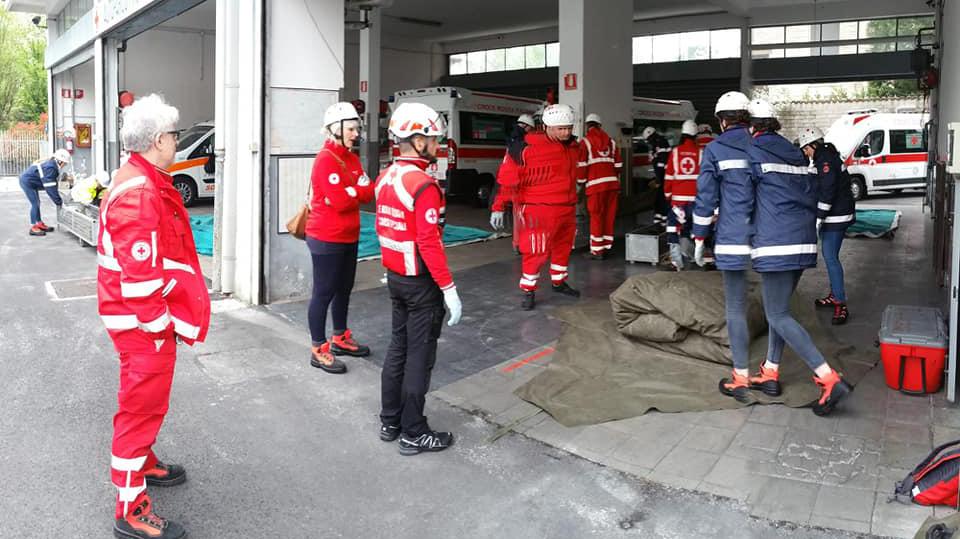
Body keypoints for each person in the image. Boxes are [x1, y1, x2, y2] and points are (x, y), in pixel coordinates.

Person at [97, 94, 210, 539]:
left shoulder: (144, 178)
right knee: (140, 410)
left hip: (139, 322)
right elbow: (140, 281)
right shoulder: (141, 191)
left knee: (143, 405)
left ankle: (143, 461)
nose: (177, 142)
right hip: (143, 326)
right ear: (159, 139)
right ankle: (131, 507)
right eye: (175, 135)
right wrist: (162, 327)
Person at [742, 99, 852, 416]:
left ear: (751, 125)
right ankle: (771, 370)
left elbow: (744, 198)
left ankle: (827, 377)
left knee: (776, 314)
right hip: (802, 241)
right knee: (780, 310)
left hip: (776, 243)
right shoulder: (793, 152)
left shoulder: (753, 152)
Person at [375, 102, 463, 456]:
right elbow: (429, 241)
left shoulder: (387, 177)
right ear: (416, 139)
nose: (438, 143)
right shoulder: (423, 185)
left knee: (397, 349)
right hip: (420, 284)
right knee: (419, 357)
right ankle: (414, 432)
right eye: (433, 137)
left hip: (396, 277)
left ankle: (390, 420)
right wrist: (449, 288)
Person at [692, 91, 756, 405]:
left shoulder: (715, 149)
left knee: (735, 308)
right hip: (770, 236)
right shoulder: (763, 144)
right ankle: (770, 372)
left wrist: (699, 236)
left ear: (721, 120)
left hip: (733, 237)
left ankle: (741, 376)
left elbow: (706, 198)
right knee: (778, 312)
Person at [304, 102, 375, 374]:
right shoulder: (326, 159)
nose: (356, 134)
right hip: (326, 238)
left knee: (344, 289)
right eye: (352, 128)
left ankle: (339, 338)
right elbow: (340, 201)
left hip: (348, 236)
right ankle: (318, 348)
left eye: (357, 128)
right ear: (336, 129)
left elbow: (370, 193)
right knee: (323, 292)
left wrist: (353, 190)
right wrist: (356, 190)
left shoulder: (352, 159)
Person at [490, 103, 581, 310]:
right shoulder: (524, 148)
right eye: (561, 129)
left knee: (563, 247)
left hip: (566, 207)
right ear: (547, 127)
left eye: (568, 127)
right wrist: (498, 206)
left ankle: (558, 282)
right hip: (538, 209)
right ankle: (528, 290)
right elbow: (507, 179)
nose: (566, 132)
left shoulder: (574, 146)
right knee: (536, 250)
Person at [799, 126, 855, 325]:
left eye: (806, 148)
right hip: (836, 214)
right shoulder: (825, 156)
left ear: (814, 144)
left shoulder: (825, 159)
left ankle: (841, 303)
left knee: (830, 257)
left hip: (836, 217)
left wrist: (819, 216)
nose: (805, 152)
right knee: (831, 256)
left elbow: (828, 188)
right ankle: (834, 294)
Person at [578, 112, 622, 259]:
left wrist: (581, 182)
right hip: (612, 185)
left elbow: (582, 166)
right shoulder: (612, 142)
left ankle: (597, 251)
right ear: (600, 125)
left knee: (596, 216)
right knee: (609, 216)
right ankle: (607, 246)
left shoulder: (585, 142)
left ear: (587, 126)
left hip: (596, 187)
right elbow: (619, 165)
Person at [491, 114, 537, 253]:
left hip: (517, 188)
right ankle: (526, 245)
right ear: (529, 128)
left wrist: (498, 206)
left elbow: (505, 176)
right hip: (526, 189)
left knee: (519, 218)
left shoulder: (512, 143)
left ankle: (519, 244)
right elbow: (509, 175)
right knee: (528, 219)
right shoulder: (524, 145)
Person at [663, 119, 702, 270]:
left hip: (678, 202)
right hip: (696, 201)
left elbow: (668, 177)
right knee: (693, 228)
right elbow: (705, 179)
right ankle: (694, 256)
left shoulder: (675, 152)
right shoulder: (701, 153)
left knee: (673, 227)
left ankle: (676, 261)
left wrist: (668, 195)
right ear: (695, 135)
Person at [19, 148, 69, 236]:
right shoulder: (51, 167)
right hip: (27, 182)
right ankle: (33, 227)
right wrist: (59, 202)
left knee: (37, 203)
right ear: (60, 161)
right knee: (35, 203)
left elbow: (52, 183)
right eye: (64, 163)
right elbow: (50, 188)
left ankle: (39, 223)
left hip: (31, 181)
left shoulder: (51, 164)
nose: (64, 165)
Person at [642, 125, 671, 228]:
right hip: (661, 177)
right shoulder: (657, 144)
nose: (649, 142)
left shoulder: (660, 143)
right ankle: (659, 222)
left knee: (662, 200)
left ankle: (663, 223)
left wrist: (658, 179)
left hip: (664, 177)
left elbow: (661, 163)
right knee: (659, 200)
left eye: (648, 140)